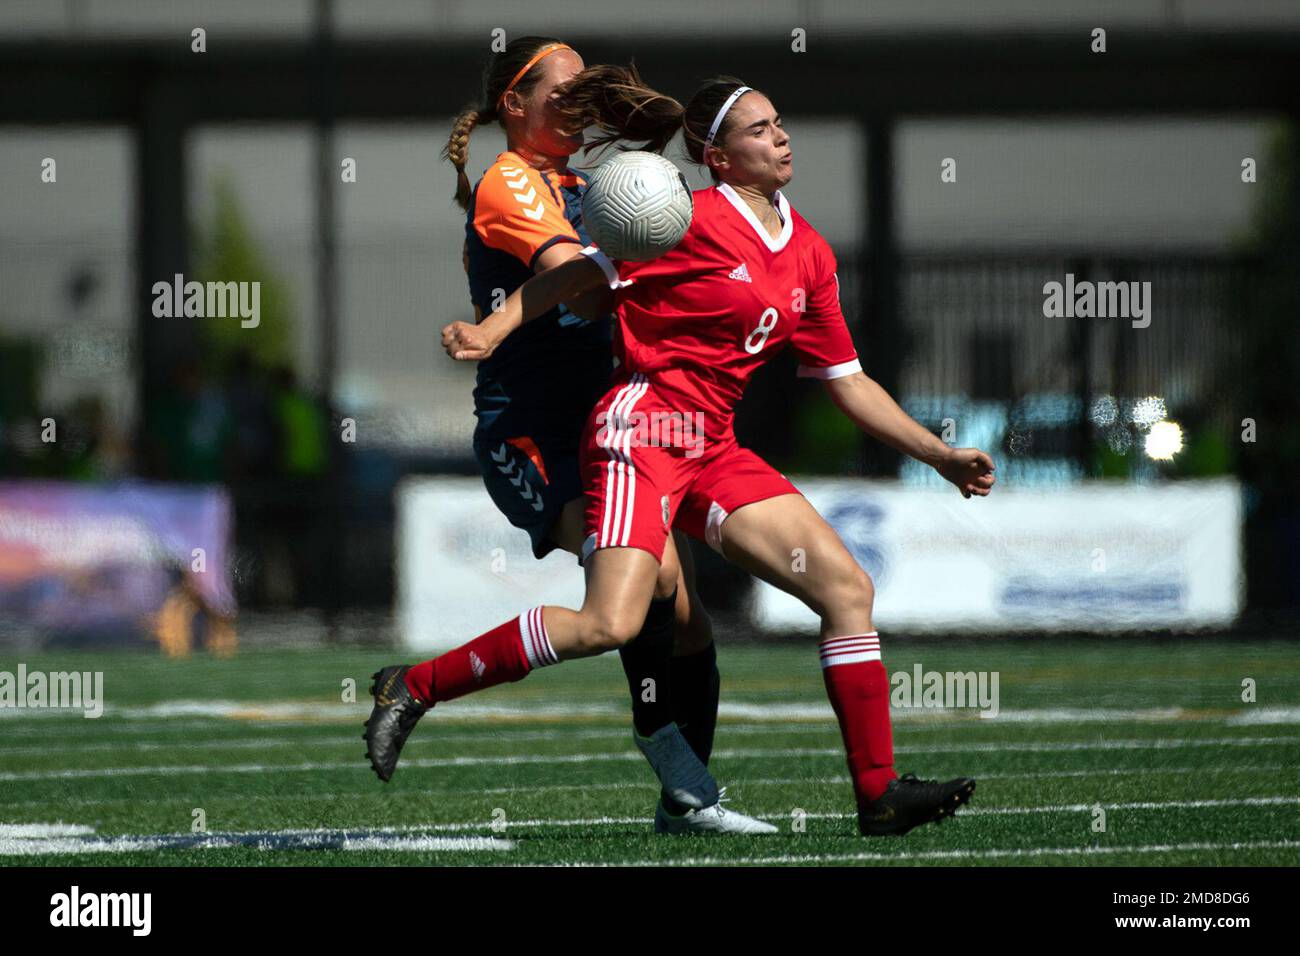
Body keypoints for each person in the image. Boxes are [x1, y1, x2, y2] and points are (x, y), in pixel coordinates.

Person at [370, 67, 997, 836]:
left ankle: (872, 794)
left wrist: (938, 454)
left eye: (780, 123)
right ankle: (415, 685)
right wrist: (490, 331)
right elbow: (576, 277)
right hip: (642, 432)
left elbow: (850, 382)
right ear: (719, 157)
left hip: (714, 446)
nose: (781, 136)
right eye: (759, 129)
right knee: (609, 623)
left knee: (844, 590)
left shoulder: (809, 253)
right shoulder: (684, 217)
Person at [369, 38, 771, 834]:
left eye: (591, 88)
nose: (582, 100)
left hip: (613, 422)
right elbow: (584, 296)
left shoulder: (592, 182)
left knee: (687, 623)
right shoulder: (510, 180)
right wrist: (634, 230)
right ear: (514, 104)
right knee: (634, 596)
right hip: (535, 429)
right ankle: (412, 686)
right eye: (565, 89)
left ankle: (683, 800)